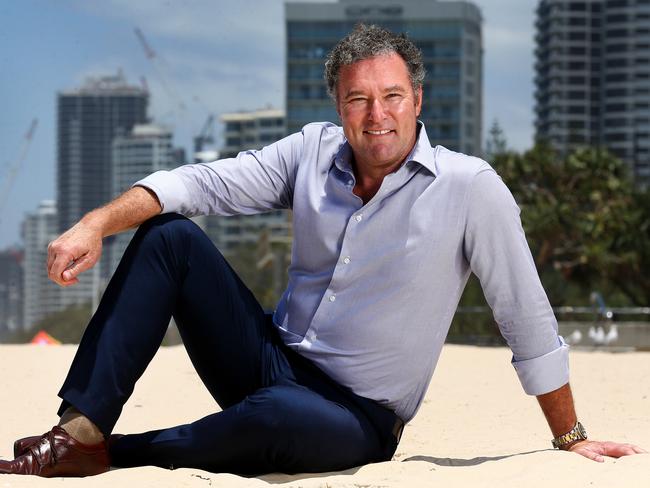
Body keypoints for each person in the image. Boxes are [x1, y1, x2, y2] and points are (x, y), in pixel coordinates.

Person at [1, 24, 644, 478]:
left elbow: (524, 314)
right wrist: (94, 223)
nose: (376, 115)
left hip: (355, 416)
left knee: (279, 417)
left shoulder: (470, 188)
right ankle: (80, 429)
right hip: (270, 362)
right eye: (358, 100)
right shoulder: (310, 152)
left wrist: (570, 435)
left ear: (417, 101)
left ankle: (115, 454)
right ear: (339, 108)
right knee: (170, 236)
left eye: (392, 97)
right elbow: (197, 183)